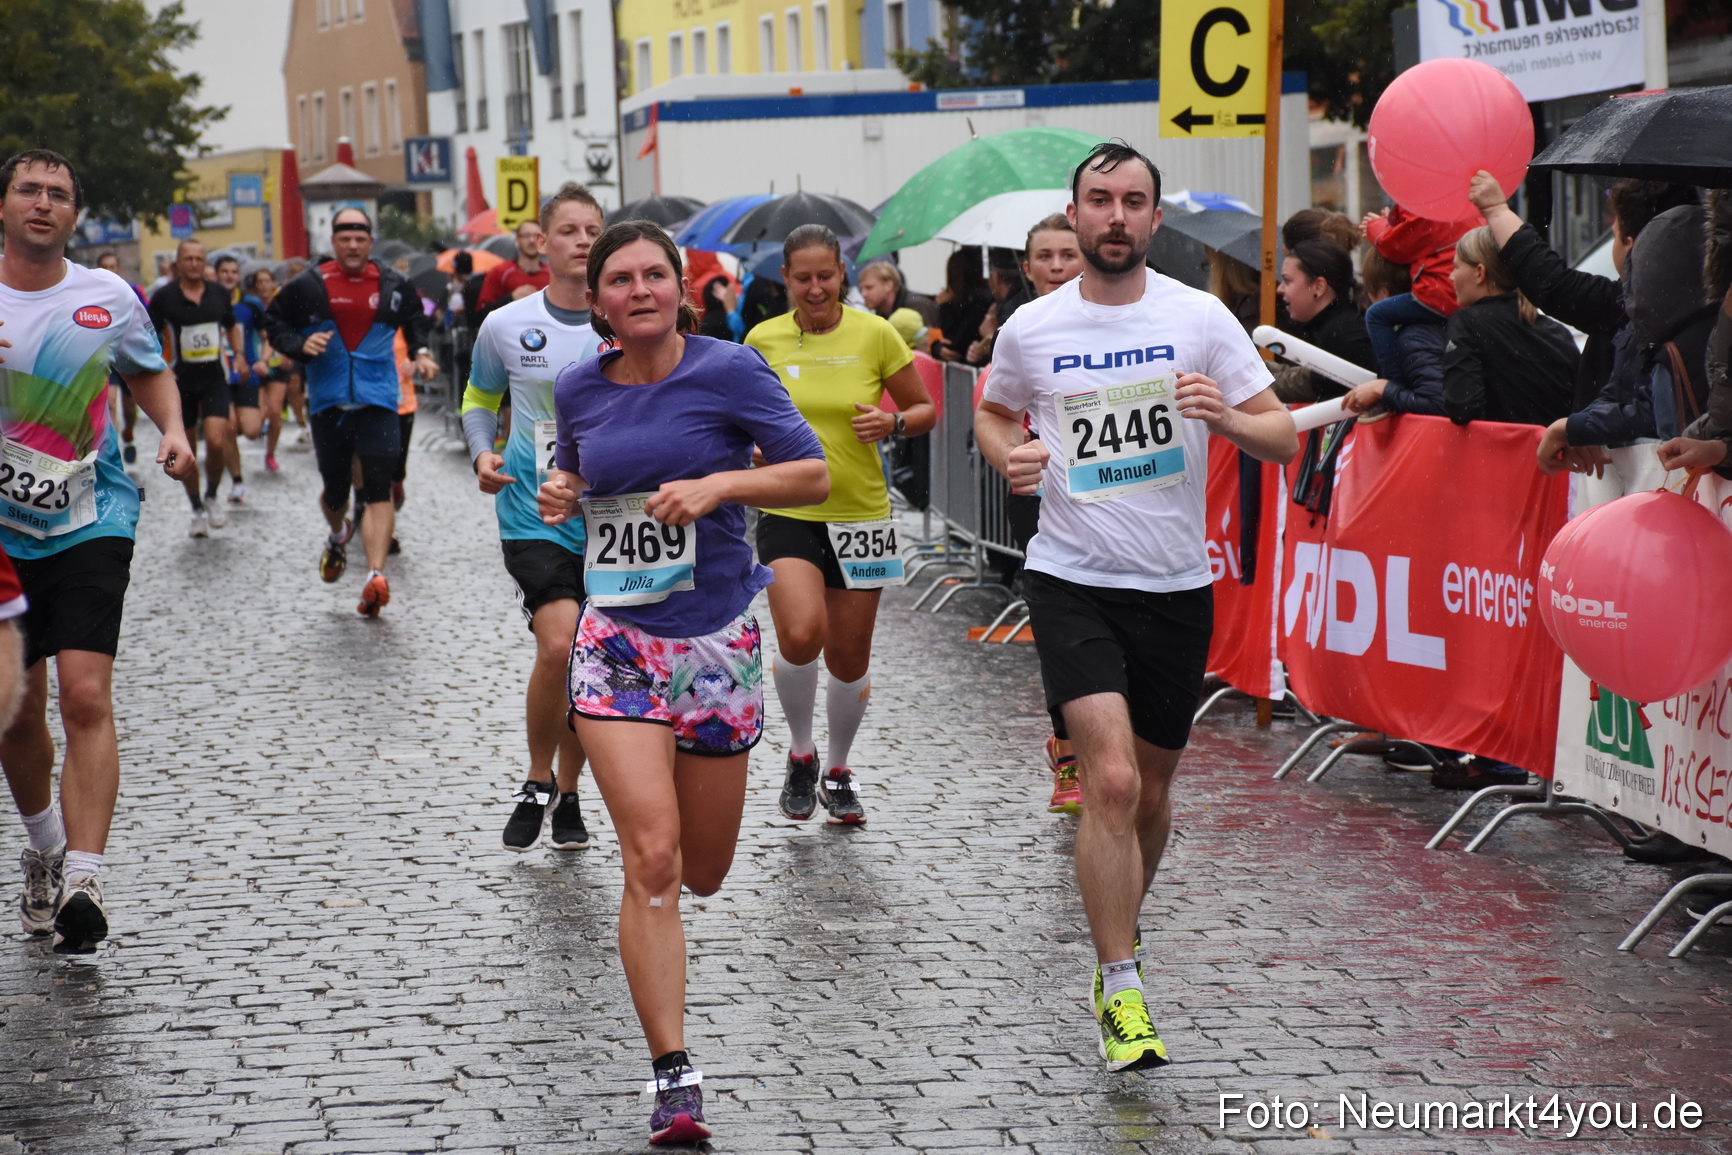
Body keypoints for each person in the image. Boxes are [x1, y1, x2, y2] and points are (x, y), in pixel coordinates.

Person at [976, 140, 1298, 1071]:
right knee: (1109, 780)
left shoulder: (1200, 317)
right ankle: (1121, 985)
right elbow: (995, 414)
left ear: (1156, 219)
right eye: (1099, 200)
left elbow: (1279, 435)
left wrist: (1228, 417)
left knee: (1152, 790)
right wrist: (1010, 458)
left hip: (1174, 585)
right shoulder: (1032, 328)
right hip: (1072, 577)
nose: (1115, 217)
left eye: (1133, 202)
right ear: (1072, 215)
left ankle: (1122, 934)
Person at [535, 221, 829, 1144]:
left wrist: (718, 487)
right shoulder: (579, 383)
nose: (639, 290)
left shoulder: (731, 369)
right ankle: (674, 1073)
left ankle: (673, 1056)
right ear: (599, 299)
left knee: (703, 871)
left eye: (654, 274)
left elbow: (812, 474)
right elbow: (578, 471)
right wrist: (559, 490)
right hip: (618, 641)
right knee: (652, 860)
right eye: (619, 279)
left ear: (679, 284)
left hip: (715, 642)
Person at [0, 148, 198, 953]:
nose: (43, 203)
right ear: (4, 205)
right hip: (2, 535)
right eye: (28, 190)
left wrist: (175, 429)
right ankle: (44, 848)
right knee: (15, 708)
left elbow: (148, 372)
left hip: (90, 514)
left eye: (58, 194)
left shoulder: (108, 296)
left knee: (84, 695)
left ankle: (84, 875)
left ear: (75, 214)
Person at [745, 225, 936, 826]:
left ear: (842, 274)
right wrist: (747, 449)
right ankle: (799, 753)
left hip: (861, 513)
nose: (815, 288)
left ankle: (837, 769)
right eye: (802, 278)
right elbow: (736, 411)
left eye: (825, 275)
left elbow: (925, 409)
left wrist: (893, 425)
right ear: (786, 280)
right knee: (801, 634)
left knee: (850, 656)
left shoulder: (876, 334)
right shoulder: (763, 339)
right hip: (789, 507)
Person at [463, 183, 607, 852]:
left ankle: (572, 793)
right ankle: (536, 775)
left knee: (590, 655)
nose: (582, 239)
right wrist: (482, 453)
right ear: (541, 241)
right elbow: (477, 398)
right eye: (569, 230)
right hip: (533, 511)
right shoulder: (505, 324)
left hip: (613, 517)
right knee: (561, 642)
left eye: (592, 229)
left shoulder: (631, 321)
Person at [262, 208, 436, 616]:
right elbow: (273, 321)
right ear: (334, 242)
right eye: (345, 238)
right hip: (328, 403)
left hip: (379, 401)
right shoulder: (309, 284)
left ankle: (375, 575)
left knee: (379, 486)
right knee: (337, 491)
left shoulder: (393, 283)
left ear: (370, 241)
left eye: (360, 238)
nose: (353, 245)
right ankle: (338, 534)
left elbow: (416, 320)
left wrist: (422, 352)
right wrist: (297, 346)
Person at [148, 238, 244, 534]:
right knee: (185, 450)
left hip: (214, 378)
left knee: (217, 440)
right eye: (188, 259)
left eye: (199, 259)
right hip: (180, 382)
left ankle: (213, 495)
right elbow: (149, 334)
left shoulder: (218, 293)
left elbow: (230, 325)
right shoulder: (164, 297)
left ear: (206, 263)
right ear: (178, 263)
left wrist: (239, 354)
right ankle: (196, 508)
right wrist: (159, 366)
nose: (194, 264)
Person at [1439, 226, 1578, 427]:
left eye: (1456, 267)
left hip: (1502, 455)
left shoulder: (1466, 323)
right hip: (1557, 455)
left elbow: (1463, 406)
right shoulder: (1557, 332)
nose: (1451, 277)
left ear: (1479, 272)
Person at [1342, 248, 1450, 419]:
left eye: (1370, 294)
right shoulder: (1427, 328)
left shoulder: (1414, 338)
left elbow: (1439, 405)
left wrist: (1385, 389)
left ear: (1384, 294)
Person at [1274, 239, 1375, 400]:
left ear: (1319, 287)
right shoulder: (1336, 324)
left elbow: (1315, 387)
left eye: (1287, 281)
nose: (1280, 289)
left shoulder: (1343, 334)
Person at [212, 253, 270, 503]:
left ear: (239, 276)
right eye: (224, 271)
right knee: (229, 427)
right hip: (219, 376)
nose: (229, 276)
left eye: (233, 272)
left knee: (252, 430)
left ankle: (262, 410)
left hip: (247, 376)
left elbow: (268, 337)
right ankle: (237, 482)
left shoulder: (251, 305)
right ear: (216, 275)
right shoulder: (207, 302)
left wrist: (263, 361)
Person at [97, 251, 145, 464]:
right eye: (104, 267)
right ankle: (113, 451)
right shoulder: (91, 295)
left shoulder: (133, 292)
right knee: (111, 404)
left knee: (129, 406)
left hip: (129, 356)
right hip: (107, 358)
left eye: (112, 267)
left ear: (119, 269)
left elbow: (147, 323)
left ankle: (129, 432)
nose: (109, 271)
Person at [247, 267, 293, 472]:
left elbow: (292, 331)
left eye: (268, 281)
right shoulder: (250, 307)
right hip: (255, 365)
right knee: (258, 416)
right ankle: (254, 428)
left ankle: (270, 453)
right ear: (255, 285)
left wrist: (288, 352)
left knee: (275, 411)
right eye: (260, 281)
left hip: (277, 365)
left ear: (274, 283)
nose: (265, 285)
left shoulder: (283, 305)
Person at [476, 219, 549, 320]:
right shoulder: (500, 272)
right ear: (517, 240)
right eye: (526, 236)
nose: (532, 240)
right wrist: (511, 298)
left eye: (536, 236)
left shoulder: (554, 274)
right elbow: (480, 314)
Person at [931, 248, 994, 363]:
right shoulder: (972, 300)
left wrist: (945, 306)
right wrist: (936, 347)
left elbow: (954, 345)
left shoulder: (978, 303)